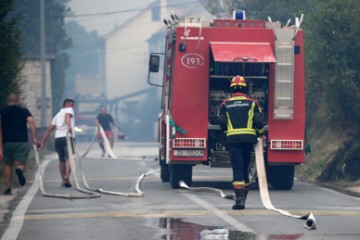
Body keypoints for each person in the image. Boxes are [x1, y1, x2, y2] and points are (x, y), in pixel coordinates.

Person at [217, 75, 265, 210]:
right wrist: (261, 133)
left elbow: (220, 121)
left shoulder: (225, 104)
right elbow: (259, 121)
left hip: (233, 140)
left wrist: (226, 132)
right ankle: (244, 197)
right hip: (248, 140)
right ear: (245, 88)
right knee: (244, 168)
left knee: (237, 168)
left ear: (232, 88)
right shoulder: (253, 103)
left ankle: (239, 200)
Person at [0, 93, 38, 195]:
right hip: (21, 141)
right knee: (20, 164)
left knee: (8, 164)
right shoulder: (24, 111)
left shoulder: (2, 110)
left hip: (6, 141)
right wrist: (34, 137)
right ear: (18, 100)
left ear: (8, 101)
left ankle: (8, 188)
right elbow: (31, 121)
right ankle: (19, 170)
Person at [40, 98, 75, 188]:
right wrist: (68, 126)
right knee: (69, 158)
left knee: (61, 160)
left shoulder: (57, 115)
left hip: (58, 138)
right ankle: (67, 176)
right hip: (68, 137)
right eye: (72, 104)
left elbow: (49, 130)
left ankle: (63, 180)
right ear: (68, 104)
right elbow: (67, 117)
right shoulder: (69, 109)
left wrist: (42, 142)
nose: (73, 106)